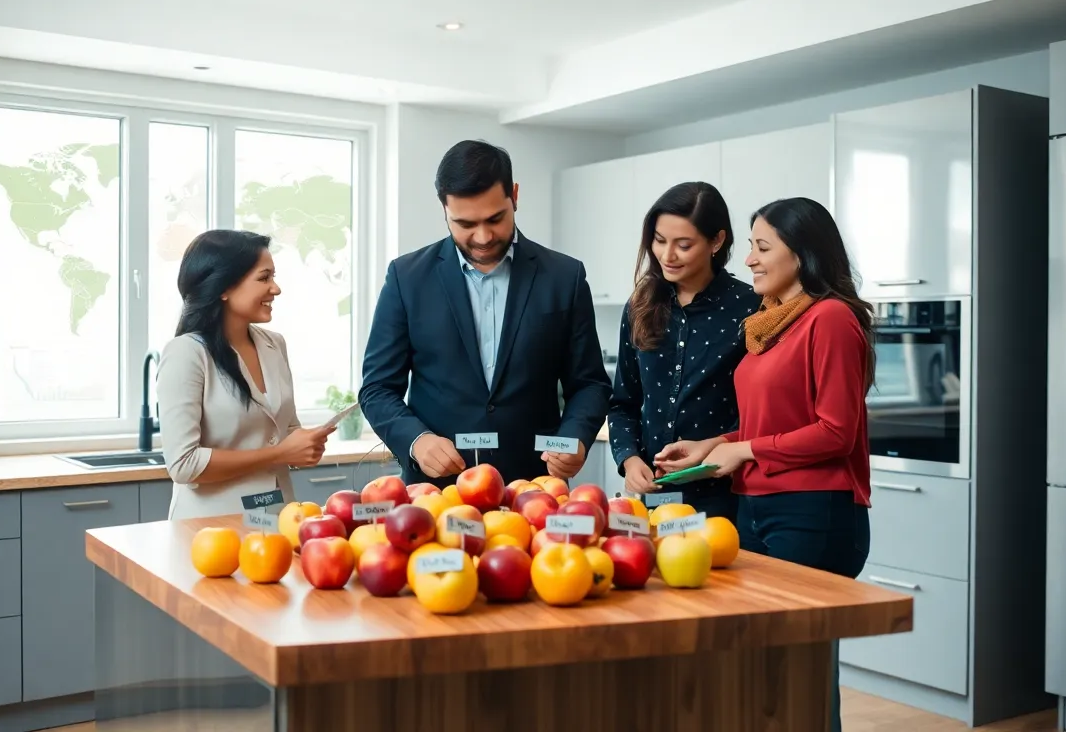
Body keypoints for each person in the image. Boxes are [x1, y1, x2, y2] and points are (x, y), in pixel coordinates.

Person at [653, 196, 874, 732]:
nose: (749, 258)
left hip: (813, 510)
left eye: (761, 246)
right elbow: (769, 421)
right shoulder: (768, 324)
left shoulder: (831, 319)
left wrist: (745, 450)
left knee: (800, 671)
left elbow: (836, 431)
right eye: (751, 246)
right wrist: (713, 445)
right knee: (763, 668)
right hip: (757, 505)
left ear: (801, 254)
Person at [359, 139, 612, 487]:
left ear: (515, 196)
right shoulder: (406, 278)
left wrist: (574, 439)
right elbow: (377, 388)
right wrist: (417, 441)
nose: (482, 236)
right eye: (464, 223)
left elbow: (589, 384)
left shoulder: (565, 277)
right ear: (444, 210)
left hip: (534, 488)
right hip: (437, 492)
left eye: (495, 218)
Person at [157, 229, 335, 520]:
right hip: (210, 528)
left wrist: (306, 443)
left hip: (278, 519)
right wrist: (281, 453)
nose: (276, 288)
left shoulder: (274, 344)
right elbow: (184, 464)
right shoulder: (186, 353)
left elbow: (282, 430)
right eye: (264, 278)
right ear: (224, 287)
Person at [607, 182, 759, 521]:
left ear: (716, 241)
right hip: (652, 497)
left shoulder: (752, 309)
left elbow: (762, 414)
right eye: (659, 241)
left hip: (727, 496)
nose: (667, 255)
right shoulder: (639, 306)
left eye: (683, 244)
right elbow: (623, 403)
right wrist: (629, 460)